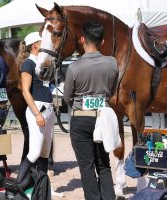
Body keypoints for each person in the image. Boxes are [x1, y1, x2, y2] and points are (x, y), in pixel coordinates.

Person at [64, 22, 118, 200]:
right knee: (104, 164)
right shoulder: (112, 63)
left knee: (86, 167)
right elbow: (113, 89)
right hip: (103, 117)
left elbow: (67, 97)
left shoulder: (74, 67)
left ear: (82, 40)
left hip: (81, 119)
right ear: (102, 41)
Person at [16, 32, 54, 186]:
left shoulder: (41, 63)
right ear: (34, 45)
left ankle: (42, 188)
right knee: (35, 152)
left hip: (49, 109)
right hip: (37, 109)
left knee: (45, 153)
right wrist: (37, 114)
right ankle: (17, 186)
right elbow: (25, 91)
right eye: (41, 41)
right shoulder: (28, 64)